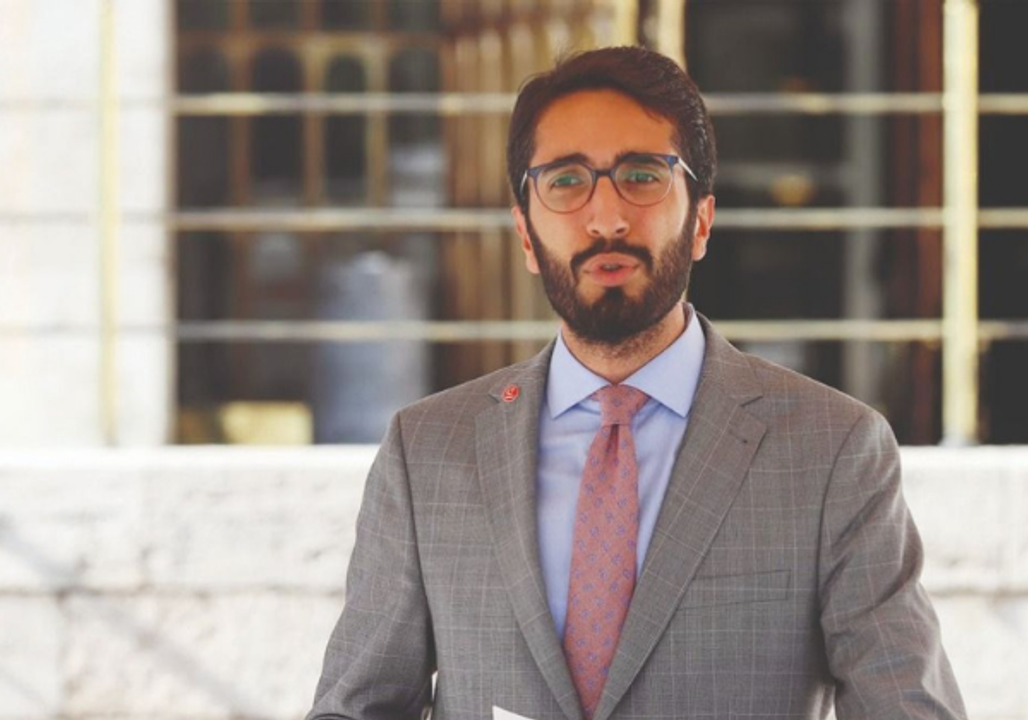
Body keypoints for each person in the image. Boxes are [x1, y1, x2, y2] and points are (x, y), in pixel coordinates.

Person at [307, 46, 966, 720]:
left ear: (700, 220)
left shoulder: (831, 449)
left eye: (642, 175)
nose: (606, 218)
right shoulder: (427, 451)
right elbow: (355, 708)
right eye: (566, 181)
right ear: (526, 235)